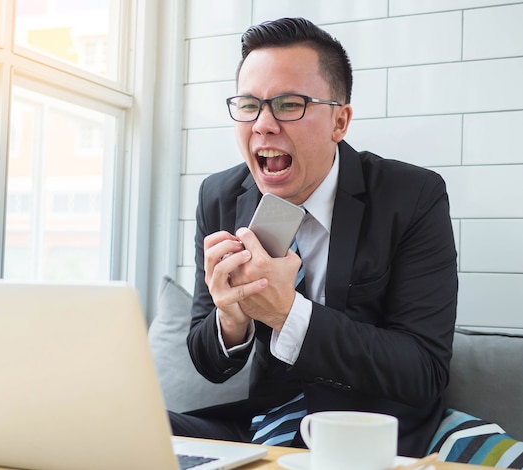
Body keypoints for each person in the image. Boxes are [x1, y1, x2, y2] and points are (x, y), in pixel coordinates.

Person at [169, 17, 458, 458]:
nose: (263, 125)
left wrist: (288, 314)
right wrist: (231, 320)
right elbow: (209, 362)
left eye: (288, 104)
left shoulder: (413, 196)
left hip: (382, 427)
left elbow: (423, 369)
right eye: (249, 105)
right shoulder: (220, 196)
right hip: (268, 420)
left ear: (339, 121)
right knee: (131, 429)